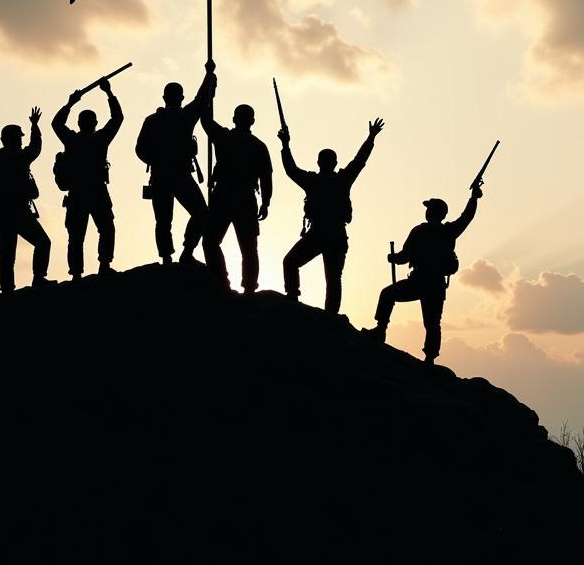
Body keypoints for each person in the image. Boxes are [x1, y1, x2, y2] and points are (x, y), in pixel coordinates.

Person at [368, 181, 484, 364]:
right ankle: (430, 357)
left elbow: (405, 256)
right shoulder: (448, 231)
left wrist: (393, 258)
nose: (427, 211)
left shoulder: (420, 231)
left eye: (429, 208)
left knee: (388, 294)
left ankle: (381, 329)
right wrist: (474, 198)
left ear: (432, 212)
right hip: (435, 284)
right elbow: (466, 217)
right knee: (432, 322)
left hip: (419, 280)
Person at [279, 117, 384, 314]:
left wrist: (285, 145)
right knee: (333, 278)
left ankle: (293, 296)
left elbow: (290, 170)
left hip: (321, 233)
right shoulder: (343, 179)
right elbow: (360, 160)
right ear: (335, 163)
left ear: (319, 162)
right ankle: (329, 315)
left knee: (292, 263)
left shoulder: (313, 181)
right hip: (334, 234)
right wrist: (371, 138)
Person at [136, 64, 217, 265]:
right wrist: (208, 74)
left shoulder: (153, 120)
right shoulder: (185, 116)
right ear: (181, 98)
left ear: (164, 98)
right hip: (179, 174)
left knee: (163, 221)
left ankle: (167, 257)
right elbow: (202, 99)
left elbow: (140, 149)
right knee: (200, 213)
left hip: (162, 175)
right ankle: (186, 251)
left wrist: (154, 160)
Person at [201, 74, 273, 293]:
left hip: (224, 194)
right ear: (251, 121)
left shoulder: (223, 137)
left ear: (234, 119)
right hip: (244, 198)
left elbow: (205, 119)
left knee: (211, 242)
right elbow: (266, 178)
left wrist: (210, 90)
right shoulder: (259, 146)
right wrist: (266, 202)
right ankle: (249, 288)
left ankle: (221, 281)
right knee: (249, 248)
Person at [0, 108, 53, 293]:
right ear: (12, 139)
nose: (20, 140)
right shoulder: (21, 157)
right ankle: (38, 279)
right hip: (19, 212)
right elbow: (36, 147)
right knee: (42, 243)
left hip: (2, 215)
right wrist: (34, 126)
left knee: (6, 256)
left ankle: (7, 290)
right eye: (18, 137)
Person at [51, 78, 123, 280]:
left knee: (76, 235)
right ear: (95, 123)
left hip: (78, 193)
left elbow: (56, 123)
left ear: (79, 123)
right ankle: (103, 265)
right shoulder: (101, 139)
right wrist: (109, 93)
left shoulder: (71, 140)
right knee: (106, 228)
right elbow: (117, 118)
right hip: (96, 191)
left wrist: (71, 103)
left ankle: (76, 273)